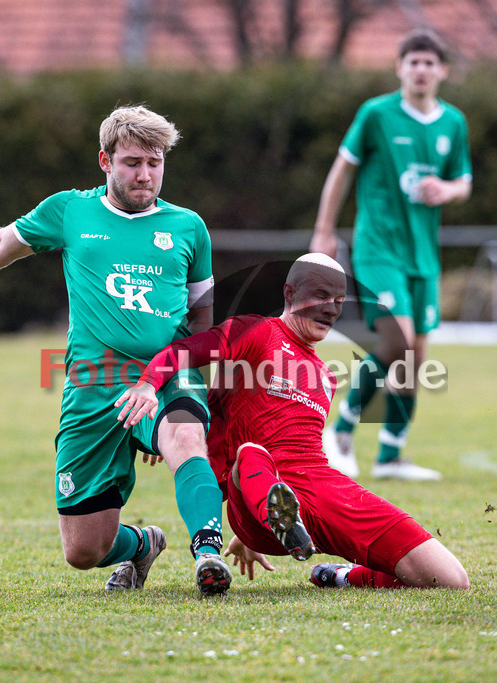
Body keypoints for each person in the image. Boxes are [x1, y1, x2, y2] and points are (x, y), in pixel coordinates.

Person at [0, 105, 233, 596]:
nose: (145, 175)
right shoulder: (70, 211)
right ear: (105, 161)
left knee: (183, 438)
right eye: (133, 163)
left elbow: (204, 324)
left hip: (165, 376)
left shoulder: (188, 227)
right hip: (93, 384)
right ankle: (142, 545)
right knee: (83, 551)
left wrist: (160, 389)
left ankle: (206, 553)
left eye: (155, 163)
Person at [116, 254, 469, 590]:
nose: (331, 308)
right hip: (254, 493)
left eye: (339, 300)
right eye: (321, 295)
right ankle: (276, 514)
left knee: (449, 578)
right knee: (252, 453)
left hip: (320, 490)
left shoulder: (325, 378)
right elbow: (184, 353)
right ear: (290, 293)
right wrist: (151, 391)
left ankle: (340, 576)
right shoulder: (254, 332)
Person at [310, 28, 472, 481]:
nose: (420, 70)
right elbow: (342, 170)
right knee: (397, 339)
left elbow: (464, 181)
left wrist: (448, 189)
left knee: (415, 354)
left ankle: (391, 455)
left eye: (429, 63)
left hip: (423, 255)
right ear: (399, 68)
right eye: (412, 62)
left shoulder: (452, 123)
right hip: (378, 248)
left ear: (442, 71)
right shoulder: (377, 114)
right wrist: (324, 230)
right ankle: (340, 428)